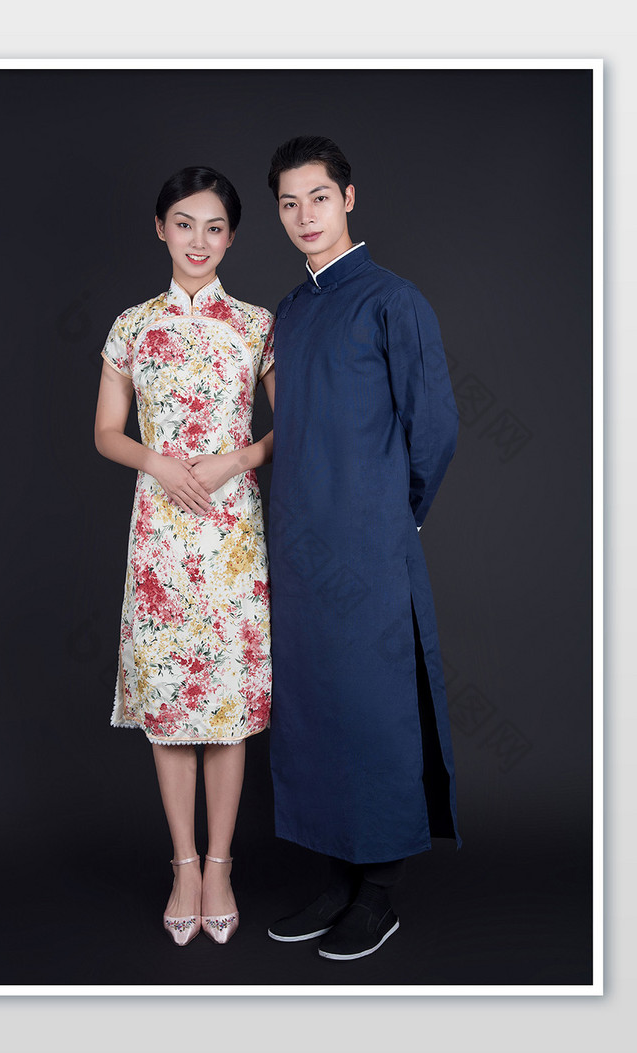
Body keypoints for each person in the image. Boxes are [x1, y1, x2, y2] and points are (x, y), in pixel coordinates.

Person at [265, 136, 461, 961]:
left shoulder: (393, 300)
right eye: (288, 203)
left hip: (370, 545)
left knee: (376, 709)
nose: (305, 215)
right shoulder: (290, 310)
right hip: (299, 550)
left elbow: (435, 426)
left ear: (349, 198)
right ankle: (336, 875)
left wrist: (392, 515)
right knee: (316, 710)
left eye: (319, 197)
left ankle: (378, 889)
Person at [94, 166, 275, 947]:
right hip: (162, 535)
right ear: (160, 227)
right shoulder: (133, 325)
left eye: (214, 227)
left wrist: (239, 457)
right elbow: (106, 432)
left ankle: (222, 864)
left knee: (226, 708)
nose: (198, 241)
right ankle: (184, 865)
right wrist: (157, 462)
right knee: (171, 710)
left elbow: (290, 426)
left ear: (231, 237)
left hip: (232, 533)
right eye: (183, 223)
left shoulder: (259, 325)